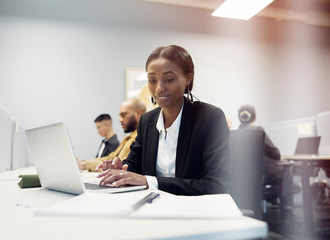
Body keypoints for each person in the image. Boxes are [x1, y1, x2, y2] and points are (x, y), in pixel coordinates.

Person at [97, 45, 230, 196]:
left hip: (193, 211)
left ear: (188, 78)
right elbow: (134, 163)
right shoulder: (147, 121)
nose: (159, 88)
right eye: (152, 80)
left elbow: (216, 185)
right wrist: (121, 170)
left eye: (169, 79)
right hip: (151, 206)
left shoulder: (210, 118)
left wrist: (150, 182)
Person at [77, 98, 146, 171]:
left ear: (138, 113)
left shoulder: (140, 138)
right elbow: (111, 158)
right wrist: (84, 163)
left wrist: (85, 164)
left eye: (123, 115)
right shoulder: (128, 138)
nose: (120, 120)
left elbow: (122, 163)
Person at [237, 104, 283, 186]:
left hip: (249, 179)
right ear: (254, 118)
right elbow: (275, 154)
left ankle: (272, 197)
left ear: (239, 118)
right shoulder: (258, 131)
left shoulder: (236, 134)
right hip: (266, 176)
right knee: (286, 170)